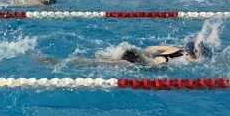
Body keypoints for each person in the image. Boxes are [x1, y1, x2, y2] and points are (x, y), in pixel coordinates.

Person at [40, 40, 212, 67]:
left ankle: (61, 60)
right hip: (149, 64)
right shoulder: (188, 60)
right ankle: (59, 61)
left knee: (101, 60)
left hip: (146, 56)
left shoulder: (176, 48)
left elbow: (152, 48)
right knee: (103, 64)